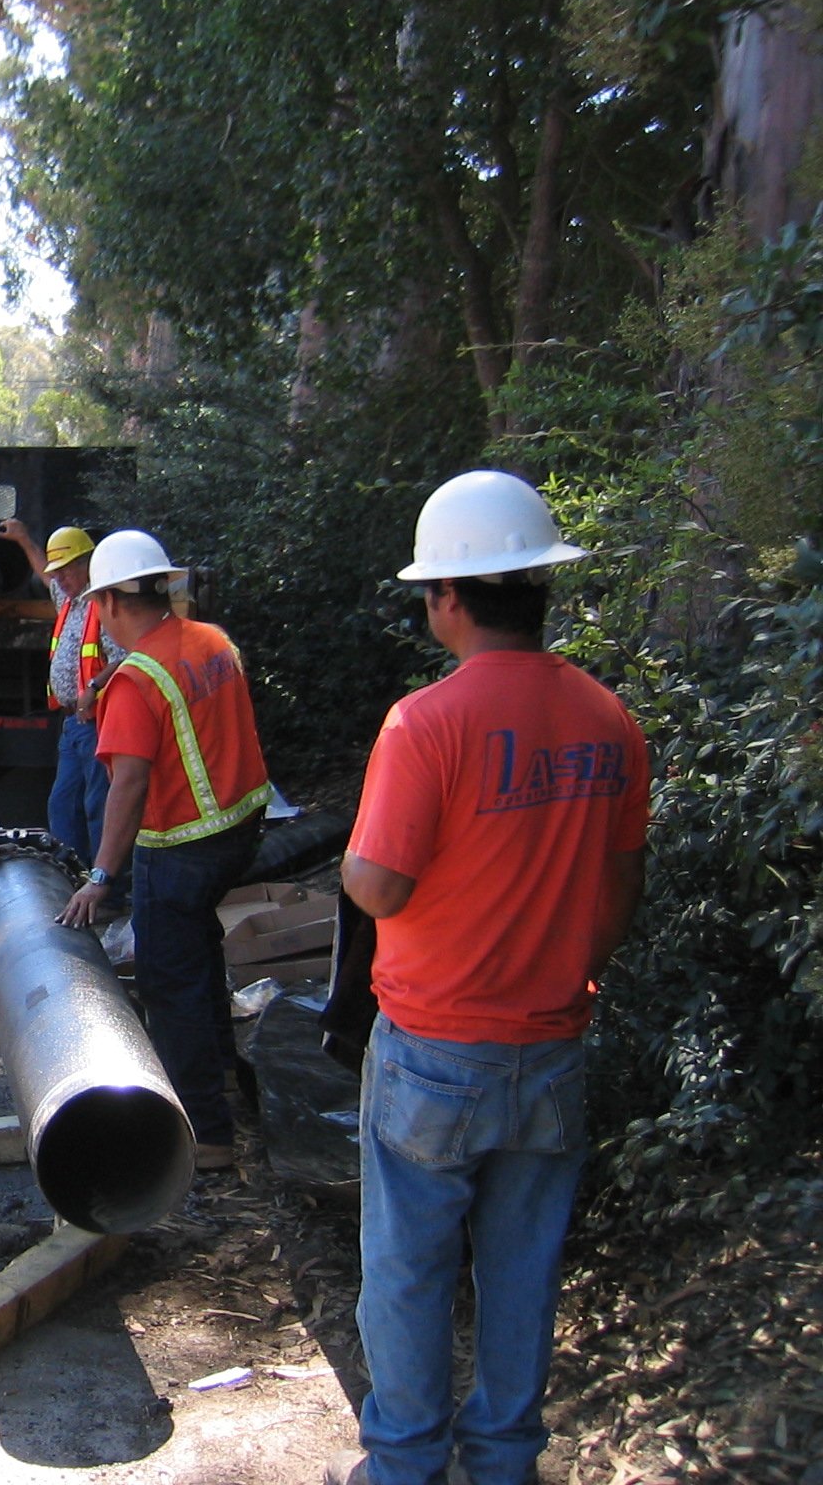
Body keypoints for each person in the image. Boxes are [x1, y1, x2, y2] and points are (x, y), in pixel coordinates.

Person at [327, 471, 648, 1485]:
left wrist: (346, 857)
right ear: (539, 589)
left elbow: (375, 888)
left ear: (447, 598)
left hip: (432, 1053)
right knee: (520, 1273)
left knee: (407, 1275)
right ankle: (503, 1461)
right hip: (549, 1045)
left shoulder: (424, 723)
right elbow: (618, 885)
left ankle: (406, 1467)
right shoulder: (609, 720)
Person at [57, 529, 271, 1173]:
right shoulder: (212, 641)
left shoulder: (136, 682)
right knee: (199, 954)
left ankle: (206, 1134)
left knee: (168, 982)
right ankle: (225, 1078)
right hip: (240, 830)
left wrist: (99, 876)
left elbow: (128, 785)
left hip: (180, 846)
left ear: (115, 603)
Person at [0, 519, 126, 895]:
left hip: (98, 720)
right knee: (63, 804)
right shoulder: (69, 601)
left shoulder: (105, 605)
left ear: (89, 563)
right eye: (58, 572)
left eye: (67, 569)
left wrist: (94, 688)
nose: (61, 578)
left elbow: (126, 656)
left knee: (98, 808)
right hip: (72, 723)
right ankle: (72, 883)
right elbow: (42, 569)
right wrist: (23, 539)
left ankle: (108, 892)